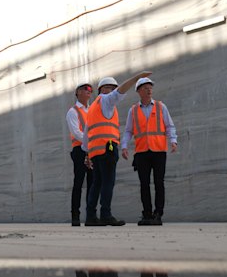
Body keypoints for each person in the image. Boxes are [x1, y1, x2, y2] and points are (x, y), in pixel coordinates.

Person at [82, 71, 152, 226]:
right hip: (108, 149)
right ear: (102, 89)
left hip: (95, 152)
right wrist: (135, 78)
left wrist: (87, 154)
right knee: (108, 182)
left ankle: (90, 217)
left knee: (97, 184)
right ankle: (106, 215)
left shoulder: (93, 107)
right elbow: (121, 91)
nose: (114, 90)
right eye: (111, 88)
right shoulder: (106, 101)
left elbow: (86, 134)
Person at [120, 78, 177, 226]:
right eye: (145, 87)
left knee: (159, 183)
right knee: (144, 184)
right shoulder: (133, 110)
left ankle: (158, 214)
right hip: (141, 152)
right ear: (138, 91)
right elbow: (128, 131)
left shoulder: (160, 107)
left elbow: (169, 126)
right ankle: (147, 214)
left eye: (150, 87)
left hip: (158, 151)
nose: (149, 90)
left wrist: (173, 140)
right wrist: (124, 146)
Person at [66, 82, 94, 227]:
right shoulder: (73, 111)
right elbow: (76, 132)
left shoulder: (92, 110)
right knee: (78, 182)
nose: (89, 91)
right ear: (77, 92)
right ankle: (75, 216)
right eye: (85, 89)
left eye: (90, 90)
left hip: (93, 149)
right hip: (80, 150)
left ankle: (91, 215)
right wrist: (88, 143)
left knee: (92, 183)